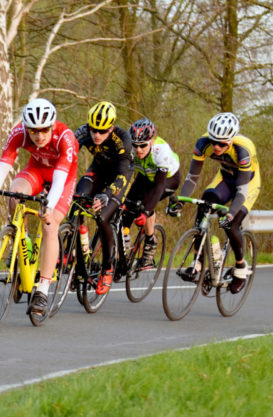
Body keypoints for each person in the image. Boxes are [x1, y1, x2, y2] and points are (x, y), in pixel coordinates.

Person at [0, 98, 79, 315]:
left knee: (50, 226)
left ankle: (42, 289)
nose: (39, 136)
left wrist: (49, 207)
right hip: (36, 171)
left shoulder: (65, 138)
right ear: (26, 128)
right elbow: (4, 165)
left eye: (43, 131)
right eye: (34, 131)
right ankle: (20, 245)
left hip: (63, 178)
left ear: (52, 126)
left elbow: (60, 180)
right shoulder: (19, 133)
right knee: (14, 195)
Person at [167, 112, 260, 294]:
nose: (216, 147)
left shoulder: (243, 150)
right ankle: (199, 261)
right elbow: (192, 178)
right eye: (214, 141)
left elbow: (241, 192)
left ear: (231, 140)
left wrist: (231, 213)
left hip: (247, 183)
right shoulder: (203, 144)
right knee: (205, 202)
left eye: (222, 143)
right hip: (225, 178)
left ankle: (241, 268)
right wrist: (181, 201)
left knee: (231, 224)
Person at [74, 101, 134, 295]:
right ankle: (72, 255)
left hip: (118, 178)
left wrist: (108, 193)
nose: (96, 135)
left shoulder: (122, 139)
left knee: (102, 217)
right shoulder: (82, 133)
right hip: (97, 171)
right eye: (93, 130)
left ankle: (108, 266)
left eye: (102, 131)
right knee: (76, 201)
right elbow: (66, 157)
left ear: (111, 128)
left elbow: (123, 175)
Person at [122, 118, 180, 268]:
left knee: (144, 205)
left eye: (143, 145)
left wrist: (146, 212)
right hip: (146, 175)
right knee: (127, 205)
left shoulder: (161, 150)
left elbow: (159, 187)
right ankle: (123, 244)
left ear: (152, 141)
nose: (138, 149)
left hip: (168, 179)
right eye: (135, 145)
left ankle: (150, 242)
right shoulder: (130, 149)